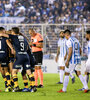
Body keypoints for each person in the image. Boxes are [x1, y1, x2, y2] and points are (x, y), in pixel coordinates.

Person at [0, 27, 36, 92]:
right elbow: (28, 47)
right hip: (26, 55)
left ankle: (16, 87)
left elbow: (2, 34)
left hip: (19, 56)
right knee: (29, 72)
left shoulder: (14, 37)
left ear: (13, 32)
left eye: (11, 32)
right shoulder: (23, 38)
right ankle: (33, 87)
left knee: (13, 72)